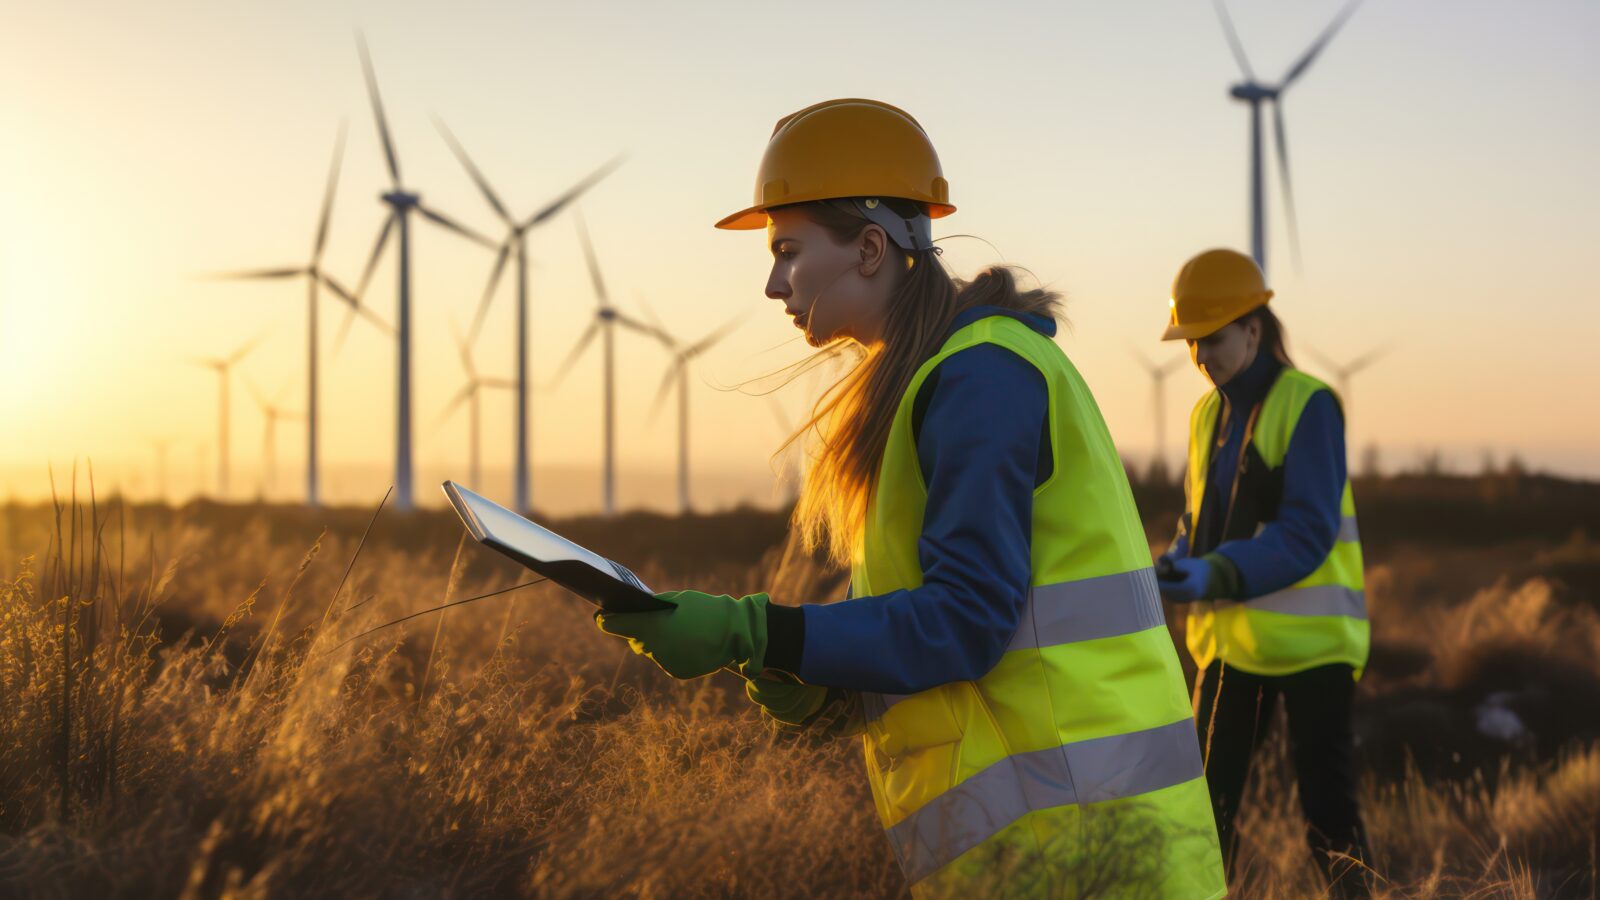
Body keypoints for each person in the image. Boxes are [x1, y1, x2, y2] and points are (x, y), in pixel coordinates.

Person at [595, 98, 1225, 898]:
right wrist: (818, 677)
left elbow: (966, 619)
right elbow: (935, 619)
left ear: (869, 248)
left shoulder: (982, 376)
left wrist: (749, 629)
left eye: (788, 250)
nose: (771, 283)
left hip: (1080, 846)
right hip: (1045, 843)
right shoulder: (938, 382)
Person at [1155, 248, 1372, 894]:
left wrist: (1214, 576)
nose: (1199, 358)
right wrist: (1180, 556)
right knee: (1202, 812)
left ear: (1254, 328)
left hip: (1314, 649)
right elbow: (1204, 518)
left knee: (1329, 817)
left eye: (1212, 339)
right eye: (1190, 343)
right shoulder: (1204, 414)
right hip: (1229, 648)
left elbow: (1306, 532)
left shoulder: (1310, 406)